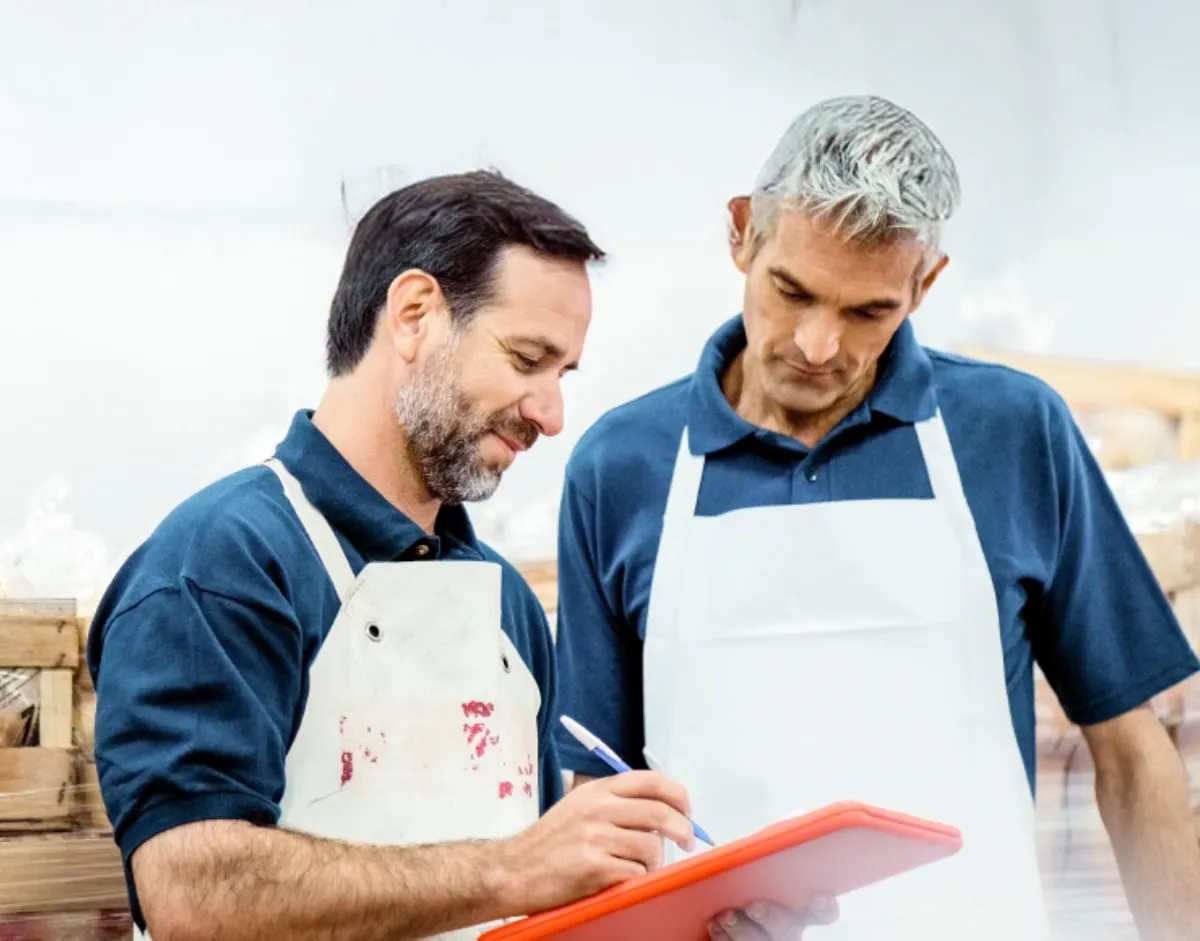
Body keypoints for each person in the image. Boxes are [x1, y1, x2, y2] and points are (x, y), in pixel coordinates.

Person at [553, 96, 1200, 941]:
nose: (818, 346)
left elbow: (1129, 747)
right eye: (792, 291)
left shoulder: (1011, 433)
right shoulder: (621, 466)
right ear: (742, 232)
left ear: (924, 283)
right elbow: (594, 806)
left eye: (869, 312)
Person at [88, 170, 712, 941]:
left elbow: (546, 898)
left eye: (564, 374)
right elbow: (190, 890)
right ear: (414, 315)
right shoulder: (226, 561)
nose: (552, 416)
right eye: (527, 359)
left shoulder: (506, 605)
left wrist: (696, 910)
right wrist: (510, 867)